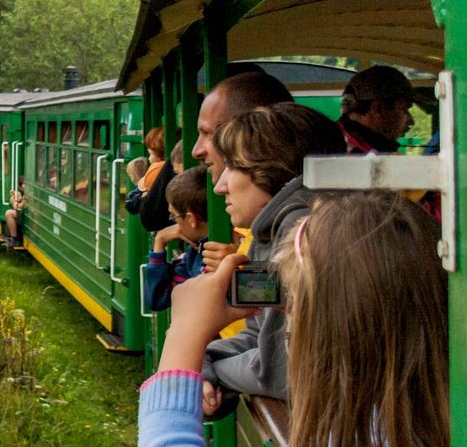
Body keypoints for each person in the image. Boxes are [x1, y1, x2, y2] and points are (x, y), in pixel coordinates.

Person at [137, 191, 449, 447]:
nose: (284, 314)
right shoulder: (429, 427)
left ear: (331, 330)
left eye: (294, 304)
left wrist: (184, 333)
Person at [201, 103, 345, 404]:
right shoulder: (267, 232)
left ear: (271, 169)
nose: (220, 186)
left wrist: (212, 371)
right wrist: (204, 360)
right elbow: (259, 336)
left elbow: (280, 371)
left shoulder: (303, 235)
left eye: (233, 166)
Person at [143, 167, 208, 313]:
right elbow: (157, 300)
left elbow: (158, 298)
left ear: (191, 219)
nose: (174, 224)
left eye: (174, 216)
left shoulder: (199, 256)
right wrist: (160, 240)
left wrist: (158, 245)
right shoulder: (194, 251)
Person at [340, 65, 416, 154]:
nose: (411, 121)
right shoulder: (350, 153)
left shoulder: (340, 141)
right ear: (378, 108)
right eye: (404, 109)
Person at [126, 127, 166, 214]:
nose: (149, 158)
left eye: (150, 154)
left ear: (161, 155)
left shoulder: (156, 168)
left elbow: (132, 205)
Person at [2, 179, 27, 248]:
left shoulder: (27, 194)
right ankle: (13, 238)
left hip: (29, 214)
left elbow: (20, 206)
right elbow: (17, 206)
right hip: (24, 213)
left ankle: (14, 239)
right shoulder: (24, 194)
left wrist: (18, 200)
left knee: (9, 213)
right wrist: (14, 200)